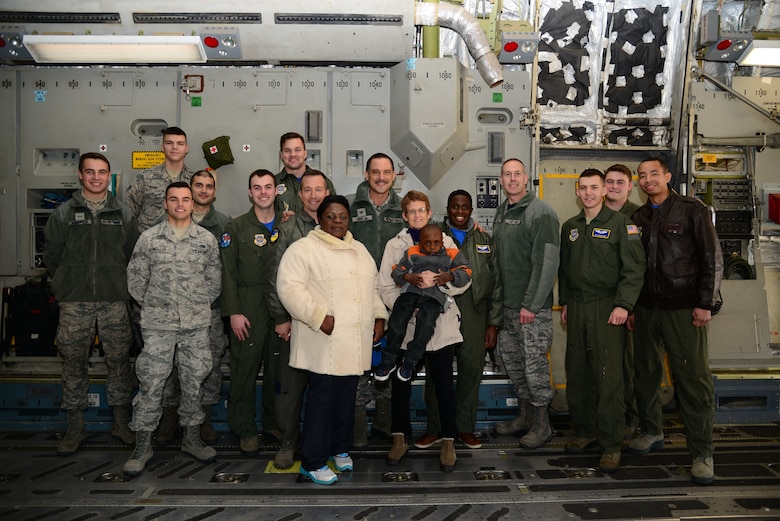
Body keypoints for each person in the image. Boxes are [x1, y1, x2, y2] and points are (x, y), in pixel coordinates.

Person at [277, 195, 387, 485]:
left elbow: (372, 287)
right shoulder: (303, 249)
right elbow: (288, 289)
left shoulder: (360, 250)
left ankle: (339, 448)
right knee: (322, 401)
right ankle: (313, 461)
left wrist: (378, 316)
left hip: (354, 341)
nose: (337, 222)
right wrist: (318, 316)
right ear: (319, 219)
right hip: (323, 340)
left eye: (342, 217)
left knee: (346, 400)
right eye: (331, 216)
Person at [628, 157, 723, 485]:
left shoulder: (692, 210)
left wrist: (704, 303)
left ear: (668, 176)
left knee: (692, 379)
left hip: (684, 309)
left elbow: (711, 257)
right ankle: (652, 431)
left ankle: (702, 452)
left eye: (654, 173)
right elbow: (633, 266)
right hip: (646, 309)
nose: (648, 179)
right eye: (642, 175)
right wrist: (631, 307)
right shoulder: (637, 217)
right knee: (645, 373)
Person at [43, 152, 139, 456]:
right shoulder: (63, 214)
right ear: (80, 175)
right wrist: (64, 284)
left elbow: (132, 255)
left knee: (120, 363)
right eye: (90, 172)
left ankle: (120, 423)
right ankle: (75, 426)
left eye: (102, 172)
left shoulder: (122, 213)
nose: (96, 177)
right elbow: (52, 255)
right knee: (73, 362)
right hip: (75, 302)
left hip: (113, 301)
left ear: (108, 176)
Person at [124, 182, 222, 475]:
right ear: (165, 204)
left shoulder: (206, 240)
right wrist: (158, 305)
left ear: (193, 204)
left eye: (186, 199)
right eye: (174, 199)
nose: (180, 204)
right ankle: (143, 444)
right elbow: (136, 281)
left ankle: (191, 439)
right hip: (158, 325)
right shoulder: (149, 239)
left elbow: (214, 283)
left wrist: (193, 304)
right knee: (151, 383)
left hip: (195, 324)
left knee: (194, 381)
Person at [558, 169, 646, 473]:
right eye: (582, 188)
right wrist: (566, 302)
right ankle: (586, 431)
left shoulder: (623, 225)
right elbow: (565, 270)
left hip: (607, 306)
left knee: (609, 376)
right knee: (578, 371)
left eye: (594, 187)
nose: (588, 193)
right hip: (578, 306)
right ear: (577, 191)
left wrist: (623, 305)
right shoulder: (570, 227)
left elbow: (634, 270)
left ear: (604, 191)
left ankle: (611, 444)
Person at [379, 190, 469, 472]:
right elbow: (384, 285)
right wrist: (409, 304)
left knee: (443, 384)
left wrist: (441, 287)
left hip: (439, 323)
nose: (417, 215)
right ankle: (400, 437)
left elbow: (463, 280)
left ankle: (448, 441)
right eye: (412, 212)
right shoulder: (396, 245)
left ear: (429, 213)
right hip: (407, 322)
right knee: (400, 385)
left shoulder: (447, 242)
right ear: (404, 216)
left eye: (422, 210)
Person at [417, 189, 503, 450]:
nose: (460, 212)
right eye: (455, 207)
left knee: (471, 369)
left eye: (465, 207)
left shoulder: (484, 240)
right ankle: (436, 428)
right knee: (436, 372)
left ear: (472, 210)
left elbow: (496, 282)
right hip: (441, 308)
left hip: (476, 310)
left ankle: (464, 428)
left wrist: (493, 323)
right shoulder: (434, 235)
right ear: (448, 208)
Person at [220, 169, 293, 455]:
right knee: (244, 370)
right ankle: (246, 429)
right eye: (257, 187)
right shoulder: (235, 229)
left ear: (276, 191)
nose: (263, 192)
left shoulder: (288, 225)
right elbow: (227, 273)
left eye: (268, 187)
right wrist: (234, 312)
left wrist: (286, 315)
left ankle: (273, 423)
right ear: (250, 193)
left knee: (279, 370)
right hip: (247, 305)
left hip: (280, 304)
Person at [156, 170, 231, 445]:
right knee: (169, 367)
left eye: (208, 186)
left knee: (206, 366)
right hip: (168, 312)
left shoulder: (223, 224)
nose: (203, 190)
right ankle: (168, 418)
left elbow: (225, 271)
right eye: (198, 185)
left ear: (214, 191)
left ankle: (204, 419)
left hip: (207, 311)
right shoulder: (163, 224)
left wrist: (204, 303)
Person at [491, 158, 560, 449]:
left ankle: (543, 426)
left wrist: (531, 305)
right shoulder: (502, 211)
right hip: (508, 307)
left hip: (531, 309)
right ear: (501, 179)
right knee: (515, 364)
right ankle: (524, 418)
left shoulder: (540, 212)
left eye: (517, 174)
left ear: (527, 177)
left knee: (534, 367)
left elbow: (546, 263)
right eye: (507, 174)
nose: (512, 179)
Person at [267, 170, 330, 469]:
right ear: (300, 194)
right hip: (295, 320)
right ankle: (288, 441)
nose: (314, 195)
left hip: (328, 322)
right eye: (308, 190)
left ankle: (322, 442)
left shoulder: (337, 224)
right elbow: (274, 274)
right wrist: (280, 317)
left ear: (326, 192)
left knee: (325, 387)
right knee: (290, 389)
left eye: (319, 190)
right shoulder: (289, 226)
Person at [348, 152, 404, 447]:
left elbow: (429, 234)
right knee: (358, 365)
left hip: (394, 298)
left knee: (389, 364)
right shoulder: (349, 205)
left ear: (394, 175)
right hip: (358, 298)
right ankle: (357, 430)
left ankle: (384, 425)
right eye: (375, 172)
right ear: (367, 175)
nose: (381, 177)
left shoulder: (403, 208)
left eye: (386, 172)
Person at [375, 224, 471, 382]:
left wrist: (449, 277)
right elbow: (397, 270)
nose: (432, 247)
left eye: (436, 243)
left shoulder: (451, 254)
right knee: (397, 321)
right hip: (411, 293)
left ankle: (410, 361)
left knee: (425, 324)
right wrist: (408, 277)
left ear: (442, 242)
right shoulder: (412, 252)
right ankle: (388, 360)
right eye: (427, 243)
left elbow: (466, 271)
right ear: (420, 243)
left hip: (434, 298)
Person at [603, 164, 642, 438]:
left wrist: (631, 306)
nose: (614, 186)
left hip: (630, 305)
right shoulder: (595, 215)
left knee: (629, 365)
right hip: (601, 304)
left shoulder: (638, 216)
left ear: (630, 186)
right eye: (610, 181)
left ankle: (632, 418)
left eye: (620, 182)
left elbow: (639, 266)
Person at [124, 127, 194, 232]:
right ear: (162, 147)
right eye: (169, 143)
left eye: (180, 144)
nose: (174, 147)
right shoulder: (144, 178)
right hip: (149, 244)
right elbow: (128, 214)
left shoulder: (194, 181)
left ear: (186, 149)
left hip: (184, 244)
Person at [274, 132, 336, 215]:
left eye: (297, 150)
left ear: (305, 153)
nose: (293, 155)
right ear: (281, 155)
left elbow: (335, 213)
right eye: (287, 151)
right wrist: (279, 219)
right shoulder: (272, 184)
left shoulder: (322, 182)